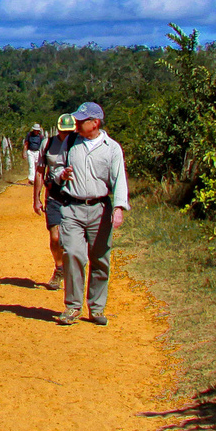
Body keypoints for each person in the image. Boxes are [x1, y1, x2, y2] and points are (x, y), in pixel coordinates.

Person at [45, 102, 129, 326]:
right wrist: (61, 175)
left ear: (95, 123)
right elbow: (55, 170)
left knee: (100, 259)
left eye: (82, 121)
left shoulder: (112, 148)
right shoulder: (71, 142)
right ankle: (72, 306)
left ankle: (96, 307)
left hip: (100, 208)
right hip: (72, 208)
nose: (78, 124)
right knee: (72, 254)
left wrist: (119, 207)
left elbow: (119, 179)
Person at [33, 113, 77, 290]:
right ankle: (59, 268)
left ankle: (74, 272)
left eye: (70, 131)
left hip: (74, 195)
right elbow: (39, 171)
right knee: (55, 237)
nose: (66, 134)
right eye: (63, 131)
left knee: (73, 239)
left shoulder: (79, 143)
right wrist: (36, 197)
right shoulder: (48, 144)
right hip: (53, 195)